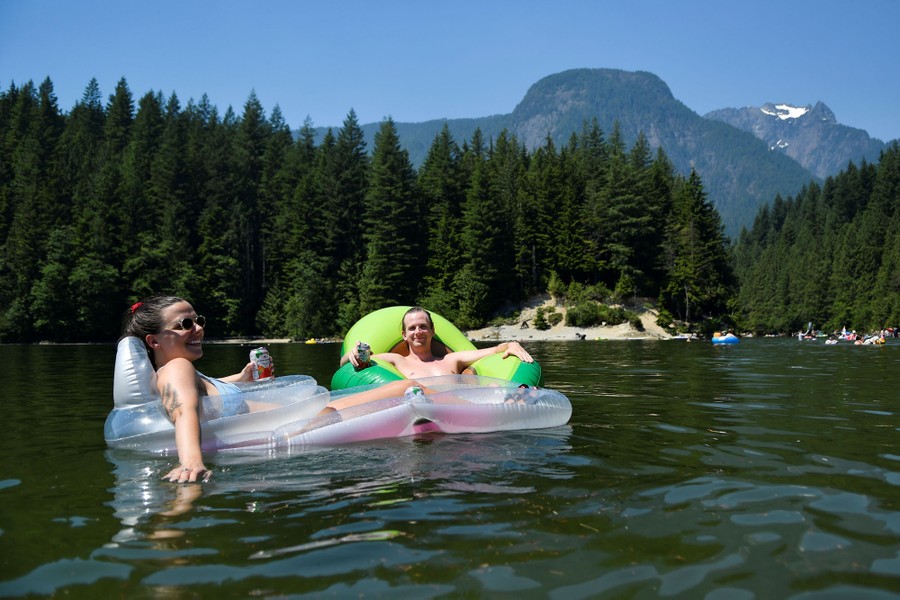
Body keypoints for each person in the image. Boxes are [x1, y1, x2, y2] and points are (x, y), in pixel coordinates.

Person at [121, 296, 426, 484]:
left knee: (404, 387)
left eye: (198, 320)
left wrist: (240, 379)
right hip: (307, 424)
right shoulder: (177, 369)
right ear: (154, 341)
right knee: (406, 387)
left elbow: (202, 395)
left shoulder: (181, 370)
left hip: (306, 416)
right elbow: (183, 410)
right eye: (185, 324)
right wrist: (191, 461)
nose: (198, 328)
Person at [340, 306, 533, 378]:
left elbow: (492, 351)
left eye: (423, 326)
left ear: (432, 331)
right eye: (412, 328)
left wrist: (510, 345)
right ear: (404, 335)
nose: (418, 332)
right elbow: (350, 363)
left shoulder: (452, 360)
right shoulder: (397, 360)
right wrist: (353, 355)